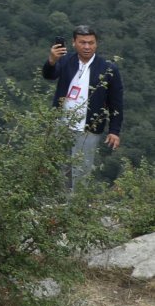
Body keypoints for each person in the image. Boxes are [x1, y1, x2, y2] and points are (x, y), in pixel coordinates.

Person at [44, 25, 125, 190]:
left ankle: (77, 211)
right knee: (60, 170)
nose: (87, 47)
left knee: (81, 172)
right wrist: (52, 61)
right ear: (74, 43)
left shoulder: (108, 68)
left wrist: (114, 130)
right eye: (83, 42)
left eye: (91, 43)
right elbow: (49, 75)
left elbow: (116, 102)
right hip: (62, 125)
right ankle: (63, 209)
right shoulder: (67, 60)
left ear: (96, 44)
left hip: (89, 128)